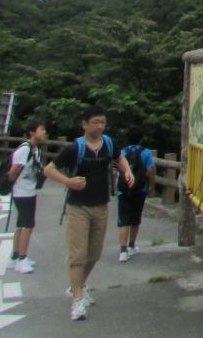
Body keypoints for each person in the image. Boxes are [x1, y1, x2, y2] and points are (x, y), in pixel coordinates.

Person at [43, 104, 134, 322]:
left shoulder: (108, 143)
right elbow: (48, 169)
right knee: (77, 255)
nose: (100, 126)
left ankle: (79, 286)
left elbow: (119, 157)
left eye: (103, 122)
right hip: (78, 207)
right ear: (84, 124)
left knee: (94, 254)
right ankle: (77, 300)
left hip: (101, 205)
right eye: (95, 122)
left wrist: (127, 170)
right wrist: (68, 182)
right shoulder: (75, 148)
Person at [6, 119, 47, 274]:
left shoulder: (36, 150)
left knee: (21, 224)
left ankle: (15, 257)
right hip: (22, 192)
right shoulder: (25, 149)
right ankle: (22, 260)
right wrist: (15, 184)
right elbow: (12, 171)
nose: (44, 132)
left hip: (28, 191)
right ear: (32, 132)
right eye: (41, 129)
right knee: (28, 225)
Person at [116, 125, 156, 262]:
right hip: (140, 188)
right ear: (141, 138)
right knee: (135, 217)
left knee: (123, 219)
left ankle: (123, 251)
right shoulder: (146, 152)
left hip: (123, 188)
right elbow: (150, 171)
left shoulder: (122, 152)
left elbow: (115, 171)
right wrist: (151, 185)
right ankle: (131, 246)